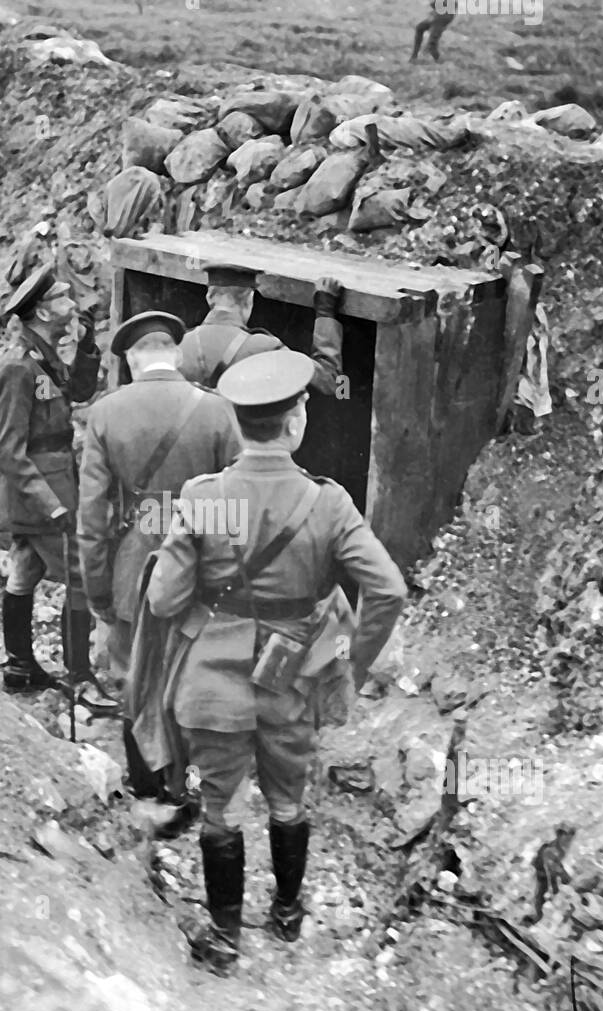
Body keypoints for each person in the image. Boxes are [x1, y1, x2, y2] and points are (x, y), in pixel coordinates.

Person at [146, 349, 408, 975]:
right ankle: (287, 917)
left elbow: (162, 599)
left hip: (212, 682)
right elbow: (389, 590)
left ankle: (225, 933)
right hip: (293, 679)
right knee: (289, 801)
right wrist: (353, 664)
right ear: (294, 423)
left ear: (240, 426)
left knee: (221, 807)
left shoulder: (204, 496)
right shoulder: (328, 503)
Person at [77, 311, 242, 829]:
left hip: (135, 565)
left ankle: (146, 783)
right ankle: (192, 789)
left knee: (133, 673)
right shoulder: (218, 411)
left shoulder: (106, 414)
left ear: (130, 360)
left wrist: (98, 588)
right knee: (191, 675)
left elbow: (93, 517)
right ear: (174, 353)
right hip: (199, 566)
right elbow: (239, 502)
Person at [0, 262, 118, 714]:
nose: (72, 304)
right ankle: (80, 677)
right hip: (41, 490)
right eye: (63, 299)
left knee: (25, 569)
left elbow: (78, 393)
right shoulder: (18, 369)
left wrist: (87, 348)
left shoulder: (42, 355)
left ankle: (20, 666)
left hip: (53, 478)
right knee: (82, 574)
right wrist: (52, 507)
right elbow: (8, 451)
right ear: (44, 312)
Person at [178, 264, 346, 396]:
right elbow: (329, 381)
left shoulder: (178, 345)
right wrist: (325, 311)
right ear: (250, 298)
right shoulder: (265, 348)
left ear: (209, 297)